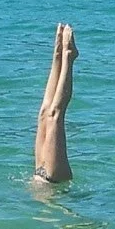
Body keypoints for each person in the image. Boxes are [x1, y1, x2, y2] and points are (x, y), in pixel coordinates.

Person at [32, 22, 77, 185]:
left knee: (46, 114)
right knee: (53, 115)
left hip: (43, 175)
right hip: (53, 178)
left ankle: (61, 54)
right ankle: (65, 57)